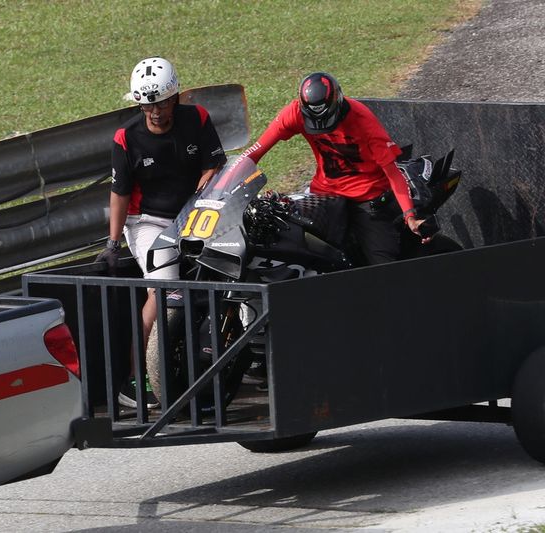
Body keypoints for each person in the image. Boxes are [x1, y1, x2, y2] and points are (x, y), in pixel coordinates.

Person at [96, 57, 226, 408]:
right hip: (148, 221)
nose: (154, 111)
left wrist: (200, 201)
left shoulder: (196, 118)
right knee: (162, 289)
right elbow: (119, 193)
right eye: (147, 104)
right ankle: (137, 379)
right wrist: (111, 243)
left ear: (175, 98)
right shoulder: (126, 137)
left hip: (195, 214)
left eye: (161, 103)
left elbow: (213, 166)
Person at [242, 71, 429, 264]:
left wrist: (410, 215)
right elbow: (254, 152)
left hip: (367, 197)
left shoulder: (363, 120)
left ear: (337, 102)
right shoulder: (295, 112)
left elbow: (393, 173)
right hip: (324, 193)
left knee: (382, 264)